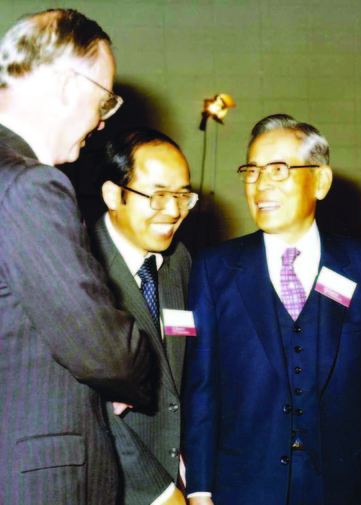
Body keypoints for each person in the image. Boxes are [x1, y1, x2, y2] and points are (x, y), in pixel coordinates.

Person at [182, 114, 361, 505]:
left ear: (320, 181)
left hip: (344, 485)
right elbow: (201, 389)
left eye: (278, 170)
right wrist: (199, 489)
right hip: (244, 486)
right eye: (252, 171)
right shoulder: (215, 269)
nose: (261, 184)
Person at [0, 9, 152, 505]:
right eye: (103, 99)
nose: (103, 120)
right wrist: (132, 372)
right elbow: (104, 349)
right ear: (69, 85)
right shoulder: (30, 185)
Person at [91, 128, 197, 505]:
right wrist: (158, 492)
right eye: (158, 195)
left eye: (182, 195)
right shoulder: (80, 264)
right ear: (112, 195)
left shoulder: (178, 260)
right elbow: (86, 406)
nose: (174, 211)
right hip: (117, 485)